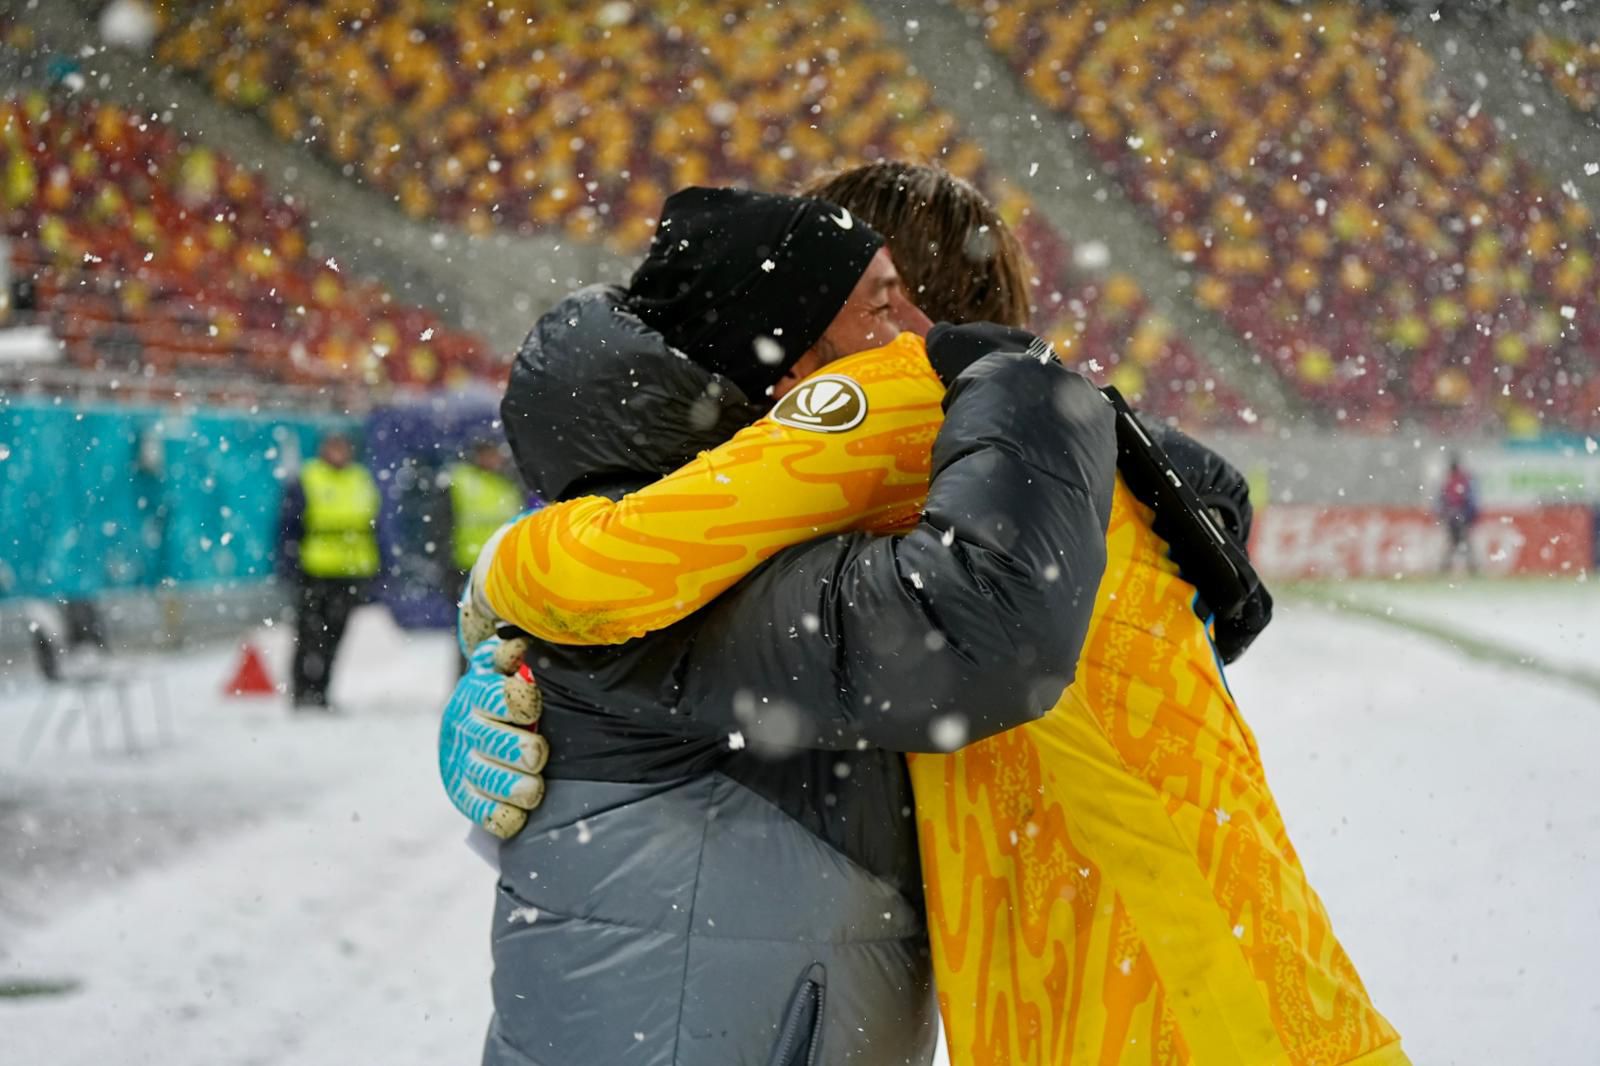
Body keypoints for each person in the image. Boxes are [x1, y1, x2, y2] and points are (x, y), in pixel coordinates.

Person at [446, 166, 1406, 1065]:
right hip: (1240, 1011)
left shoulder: (919, 442)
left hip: (1182, 1026)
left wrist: (520, 617)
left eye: (898, 301)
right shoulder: (1054, 483)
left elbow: (651, 589)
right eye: (875, 302)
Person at [442, 184, 1118, 1065]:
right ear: (793, 373)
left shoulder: (702, 536)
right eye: (888, 305)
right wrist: (1028, 389)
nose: (925, 342)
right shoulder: (686, 565)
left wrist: (500, 589)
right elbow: (976, 630)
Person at [276, 431, 379, 712]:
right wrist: (289, 564)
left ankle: (322, 692)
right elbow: (289, 525)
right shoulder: (309, 478)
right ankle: (301, 692)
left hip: (351, 570)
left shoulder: (360, 479)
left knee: (336, 636)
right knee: (308, 634)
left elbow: (376, 526)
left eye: (342, 447)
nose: (338, 453)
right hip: (315, 570)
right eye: (333, 447)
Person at [442, 438, 523, 672]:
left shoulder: (509, 483)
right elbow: (442, 526)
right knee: (470, 632)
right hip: (467, 568)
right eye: (487, 454)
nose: (492, 459)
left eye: (495, 454)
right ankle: (466, 680)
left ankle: (491, 682)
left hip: (501, 569)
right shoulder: (460, 481)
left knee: (502, 634)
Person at [1438, 453, 1479, 573]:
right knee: (1463, 543)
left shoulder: (1449, 481)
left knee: (1453, 543)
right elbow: (1471, 500)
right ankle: (1472, 567)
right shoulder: (1463, 480)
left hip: (1454, 517)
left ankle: (1445, 567)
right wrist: (1470, 515)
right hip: (1462, 517)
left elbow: (1442, 500)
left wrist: (1445, 514)